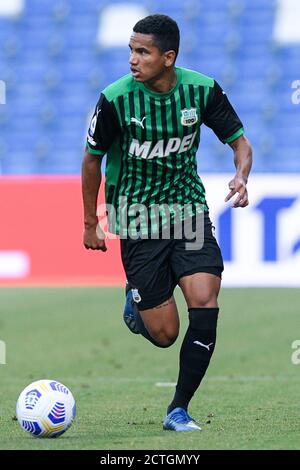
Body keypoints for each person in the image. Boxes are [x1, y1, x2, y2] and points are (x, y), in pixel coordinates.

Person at [82, 14, 252, 432]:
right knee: (164, 334)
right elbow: (91, 161)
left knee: (205, 301)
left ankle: (179, 408)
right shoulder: (115, 99)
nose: (133, 59)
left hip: (188, 212)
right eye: (131, 50)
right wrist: (91, 222)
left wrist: (241, 176)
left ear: (168, 57)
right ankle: (137, 304)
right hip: (137, 220)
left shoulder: (202, 89)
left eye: (143, 52)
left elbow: (240, 141)